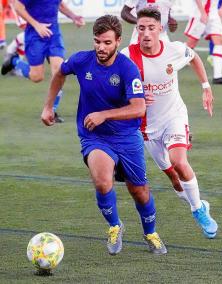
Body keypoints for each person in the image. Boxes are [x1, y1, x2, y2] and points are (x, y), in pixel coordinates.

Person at [41, 15, 167, 255]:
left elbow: (139, 108)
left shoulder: (127, 68)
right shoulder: (81, 61)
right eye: (97, 41)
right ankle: (114, 226)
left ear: (118, 41)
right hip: (95, 137)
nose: (101, 47)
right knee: (102, 180)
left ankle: (150, 232)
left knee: (139, 191)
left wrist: (104, 114)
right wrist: (49, 106)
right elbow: (59, 73)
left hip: (127, 138)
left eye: (107, 43)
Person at [121, 7, 218, 239]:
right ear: (137, 30)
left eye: (151, 28)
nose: (146, 33)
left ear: (160, 29)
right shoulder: (127, 56)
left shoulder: (174, 50)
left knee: (179, 162)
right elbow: (116, 87)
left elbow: (193, 57)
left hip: (174, 116)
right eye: (141, 28)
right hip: (146, 128)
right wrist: (136, 94)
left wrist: (206, 87)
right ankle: (199, 204)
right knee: (174, 177)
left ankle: (197, 211)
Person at [1, 0, 85, 122]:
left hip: (53, 33)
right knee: (36, 77)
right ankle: (14, 61)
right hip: (35, 34)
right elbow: (18, 7)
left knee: (60, 71)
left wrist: (74, 17)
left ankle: (51, 110)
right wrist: (37, 25)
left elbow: (59, 4)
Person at [184, 0, 222, 85]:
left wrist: (219, 8)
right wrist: (202, 12)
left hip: (213, 13)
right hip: (199, 13)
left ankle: (218, 76)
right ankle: (170, 61)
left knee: (219, 41)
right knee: (191, 43)